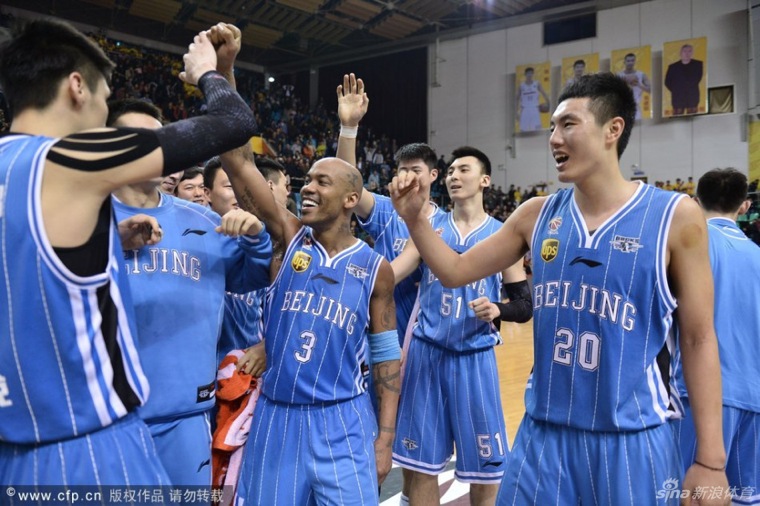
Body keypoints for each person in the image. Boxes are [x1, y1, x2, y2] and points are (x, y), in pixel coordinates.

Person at [390, 73, 729, 505]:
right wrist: (415, 219)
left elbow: (699, 339)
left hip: (631, 436)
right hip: (543, 433)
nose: (553, 138)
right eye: (552, 126)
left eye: (568, 124)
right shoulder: (535, 215)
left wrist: (711, 461)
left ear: (613, 129)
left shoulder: (675, 217)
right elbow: (455, 271)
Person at [0, 19, 258, 486]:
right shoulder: (71, 158)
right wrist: (209, 72)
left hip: (14, 455)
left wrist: (106, 243)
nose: (101, 117)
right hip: (89, 446)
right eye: (104, 99)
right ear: (77, 87)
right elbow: (234, 123)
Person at [217, 53, 401, 505]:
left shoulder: (375, 268)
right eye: (307, 181)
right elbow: (240, 165)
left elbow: (386, 359)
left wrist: (385, 438)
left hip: (344, 420)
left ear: (351, 200)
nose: (308, 188)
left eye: (322, 183)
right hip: (278, 418)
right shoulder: (288, 238)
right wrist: (223, 75)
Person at [108, 97, 272, 487]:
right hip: (108, 422)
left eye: (158, 140)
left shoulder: (204, 220)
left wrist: (256, 238)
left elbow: (252, 277)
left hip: (187, 417)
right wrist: (110, 242)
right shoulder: (84, 221)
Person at [390, 147, 532, 506]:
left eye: (463, 169)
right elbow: (394, 272)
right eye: (450, 170)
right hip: (427, 355)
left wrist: (497, 309)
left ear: (484, 180)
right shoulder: (429, 228)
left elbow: (524, 306)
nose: (454, 175)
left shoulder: (502, 234)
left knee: (487, 472)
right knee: (421, 468)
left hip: (475, 359)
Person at [672, 168, 760, 506]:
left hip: (698, 397)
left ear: (695, 202)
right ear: (744, 206)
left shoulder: (688, 247)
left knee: (689, 497)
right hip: (754, 399)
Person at [665, 44, 703, 116]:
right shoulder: (673, 67)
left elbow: (697, 78)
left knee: (692, 117)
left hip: (692, 96)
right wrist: (677, 90)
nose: (687, 53)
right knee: (677, 118)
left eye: (689, 51)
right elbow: (667, 82)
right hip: (678, 98)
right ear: (680, 53)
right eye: (685, 51)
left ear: (692, 53)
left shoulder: (698, 64)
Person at [617, 52, 651, 120]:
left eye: (632, 60)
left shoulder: (641, 75)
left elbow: (650, 90)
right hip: (622, 107)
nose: (630, 62)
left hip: (635, 107)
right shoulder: (619, 75)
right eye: (628, 61)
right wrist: (622, 84)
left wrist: (639, 84)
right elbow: (612, 92)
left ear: (635, 61)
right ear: (624, 62)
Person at [516, 67, 550, 132]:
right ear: (525, 74)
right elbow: (517, 99)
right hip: (525, 109)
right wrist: (516, 112)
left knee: (537, 130)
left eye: (531, 73)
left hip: (535, 109)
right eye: (528, 73)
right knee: (523, 131)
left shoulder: (537, 84)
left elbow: (544, 94)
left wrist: (549, 103)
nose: (529, 75)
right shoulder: (521, 86)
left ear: (533, 74)